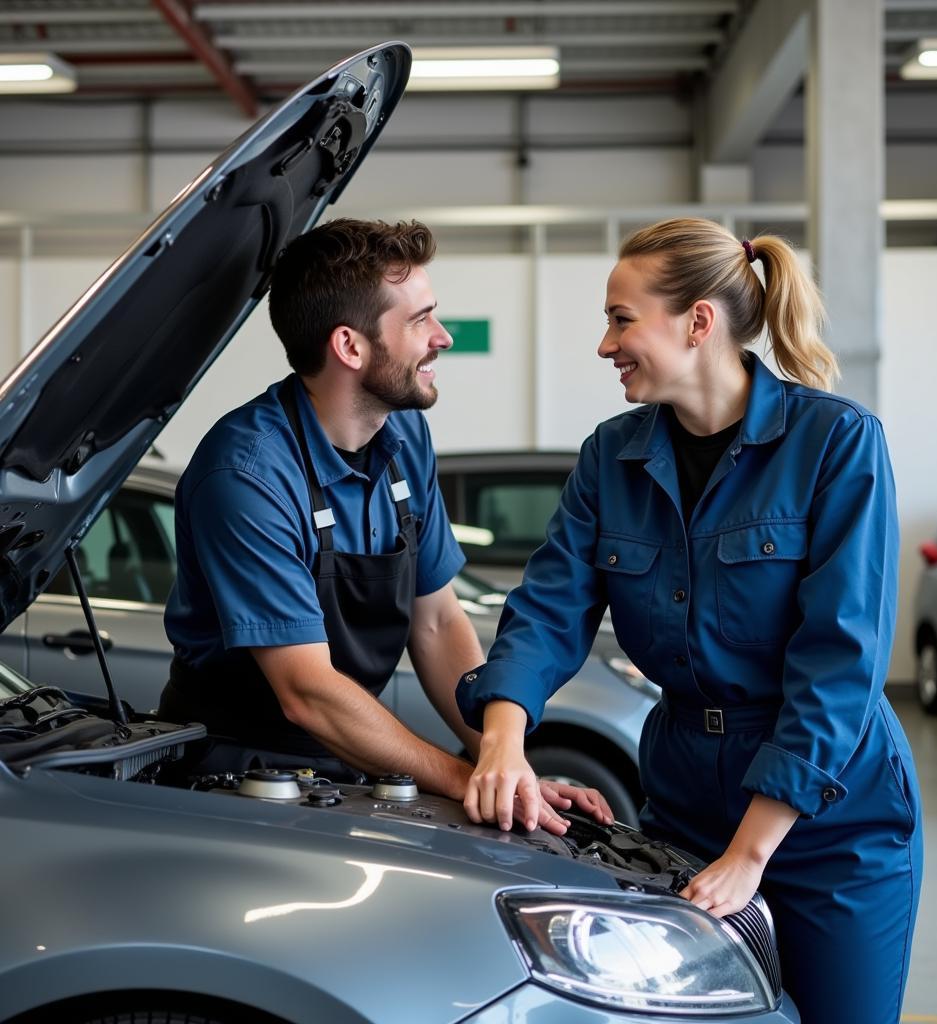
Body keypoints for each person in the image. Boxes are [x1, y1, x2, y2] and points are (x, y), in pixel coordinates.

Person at [456, 218, 922, 1023]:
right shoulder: (612, 456)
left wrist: (751, 853)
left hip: (828, 819)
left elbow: (839, 663)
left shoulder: (836, 444)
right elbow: (549, 608)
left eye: (621, 318)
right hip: (683, 800)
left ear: (698, 322)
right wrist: (503, 740)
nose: (606, 345)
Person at [157, 217, 611, 835]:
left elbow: (438, 620)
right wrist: (460, 778)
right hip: (234, 778)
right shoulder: (245, 475)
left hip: (349, 759)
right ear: (350, 346)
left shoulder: (404, 433)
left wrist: (503, 764)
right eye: (420, 320)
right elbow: (308, 691)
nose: (443, 337)